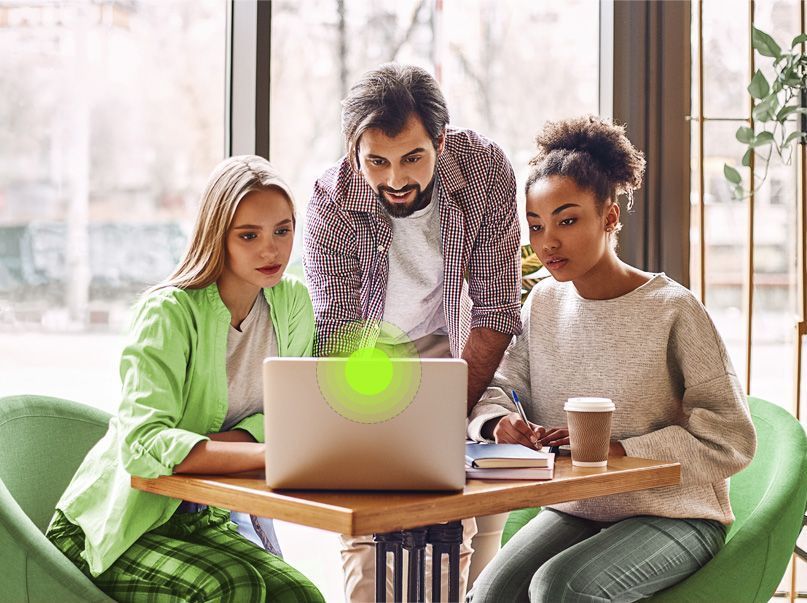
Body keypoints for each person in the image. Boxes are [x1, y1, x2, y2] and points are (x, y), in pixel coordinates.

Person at [466, 115, 757, 602]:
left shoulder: (673, 309)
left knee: (561, 588)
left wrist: (620, 451)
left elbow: (731, 437)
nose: (548, 242)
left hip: (675, 514)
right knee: (491, 593)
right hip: (579, 507)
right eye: (536, 226)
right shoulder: (542, 304)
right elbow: (498, 386)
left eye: (567, 219)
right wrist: (499, 424)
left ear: (610, 217)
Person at [46, 156, 324, 603]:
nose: (270, 250)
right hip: (115, 527)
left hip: (201, 517)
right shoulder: (167, 313)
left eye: (283, 230)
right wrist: (265, 452)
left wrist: (219, 444)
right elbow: (142, 444)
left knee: (299, 594)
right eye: (248, 235)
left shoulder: (291, 302)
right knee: (235, 586)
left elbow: (296, 413)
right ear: (218, 236)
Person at [304, 63, 522, 601]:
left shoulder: (483, 170)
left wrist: (441, 416)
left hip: (456, 345)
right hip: (372, 353)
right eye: (376, 162)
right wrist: (384, 429)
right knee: (372, 524)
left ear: (440, 141)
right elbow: (339, 335)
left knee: (455, 526)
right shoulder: (331, 202)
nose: (396, 180)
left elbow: (495, 311)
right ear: (354, 150)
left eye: (412, 158)